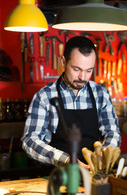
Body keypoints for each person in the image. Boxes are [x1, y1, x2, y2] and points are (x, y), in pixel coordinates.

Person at [21, 36, 121, 167]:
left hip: (93, 173)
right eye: (76, 69)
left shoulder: (100, 94)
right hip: (57, 174)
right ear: (63, 62)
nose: (82, 77)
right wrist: (68, 161)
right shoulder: (44, 96)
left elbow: (112, 132)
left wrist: (101, 159)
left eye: (88, 70)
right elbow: (30, 141)